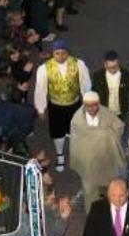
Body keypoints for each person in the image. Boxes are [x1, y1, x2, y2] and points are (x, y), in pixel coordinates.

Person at [33, 39, 92, 172]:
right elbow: (41, 89)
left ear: (67, 52)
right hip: (56, 106)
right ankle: (60, 156)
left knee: (76, 130)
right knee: (58, 132)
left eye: (63, 53)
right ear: (53, 53)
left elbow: (85, 83)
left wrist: (87, 99)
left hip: (74, 104)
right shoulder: (44, 69)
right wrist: (41, 108)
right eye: (57, 53)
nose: (60, 56)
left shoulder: (78, 64)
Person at [69, 91, 128, 207]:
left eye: (95, 105)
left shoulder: (106, 113)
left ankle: (115, 210)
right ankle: (93, 214)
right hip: (88, 161)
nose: (92, 109)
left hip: (105, 158)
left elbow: (119, 127)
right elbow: (77, 142)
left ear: (98, 104)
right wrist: (104, 135)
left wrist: (108, 136)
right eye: (88, 106)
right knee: (90, 191)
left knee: (113, 187)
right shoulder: (77, 120)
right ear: (84, 105)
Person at [90, 50, 129, 123]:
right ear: (105, 65)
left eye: (115, 67)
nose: (113, 70)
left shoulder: (127, 76)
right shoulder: (97, 76)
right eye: (110, 67)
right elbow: (93, 95)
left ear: (118, 63)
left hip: (122, 116)